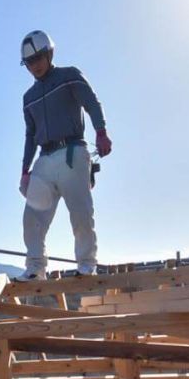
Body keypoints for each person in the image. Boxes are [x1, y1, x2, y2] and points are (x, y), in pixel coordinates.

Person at [18, 29, 113, 280]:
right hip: (44, 159)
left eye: (38, 58)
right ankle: (36, 268)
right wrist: (25, 171)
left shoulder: (70, 76)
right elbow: (30, 136)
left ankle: (86, 264)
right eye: (29, 62)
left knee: (80, 213)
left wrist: (101, 132)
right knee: (32, 218)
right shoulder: (28, 98)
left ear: (50, 53)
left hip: (72, 152)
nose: (35, 65)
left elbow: (92, 103)